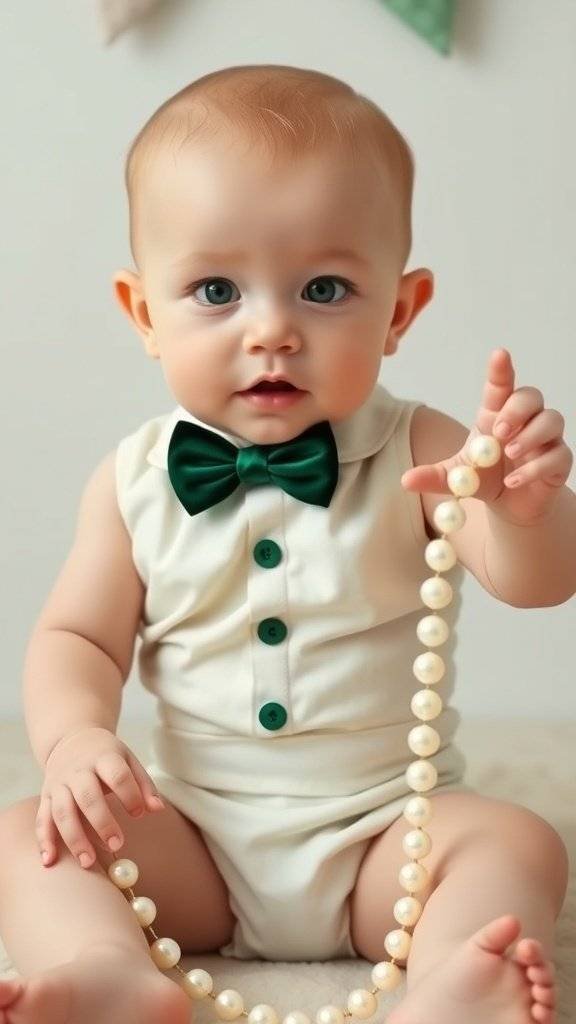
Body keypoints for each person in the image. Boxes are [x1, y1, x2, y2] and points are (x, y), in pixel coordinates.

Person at [0, 64, 573, 1024]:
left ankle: (446, 986)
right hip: (192, 841)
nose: (272, 329)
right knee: (29, 839)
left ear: (398, 310)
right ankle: (110, 970)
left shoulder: (423, 449)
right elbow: (78, 641)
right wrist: (74, 741)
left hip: (391, 832)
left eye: (323, 288)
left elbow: (538, 583)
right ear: (146, 313)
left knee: (518, 842)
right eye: (217, 289)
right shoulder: (135, 480)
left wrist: (522, 511)